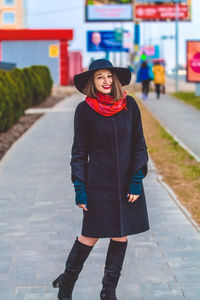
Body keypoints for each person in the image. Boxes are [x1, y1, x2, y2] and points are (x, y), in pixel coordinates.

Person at [52, 59, 149, 300]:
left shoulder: (130, 105)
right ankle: (66, 285)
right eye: (99, 77)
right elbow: (78, 153)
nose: (105, 81)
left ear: (115, 79)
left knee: (120, 234)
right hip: (98, 184)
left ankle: (108, 292)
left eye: (109, 76)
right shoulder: (84, 110)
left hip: (127, 183)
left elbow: (139, 145)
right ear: (92, 83)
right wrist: (80, 188)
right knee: (90, 234)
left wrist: (136, 179)